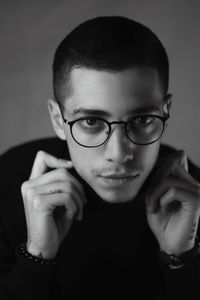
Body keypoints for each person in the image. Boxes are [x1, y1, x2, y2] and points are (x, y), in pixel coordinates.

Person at [0, 16, 200, 300]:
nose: (119, 154)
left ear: (166, 113)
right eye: (91, 121)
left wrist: (183, 258)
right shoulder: (7, 182)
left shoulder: (192, 201)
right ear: (58, 120)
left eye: (142, 119)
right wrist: (36, 258)